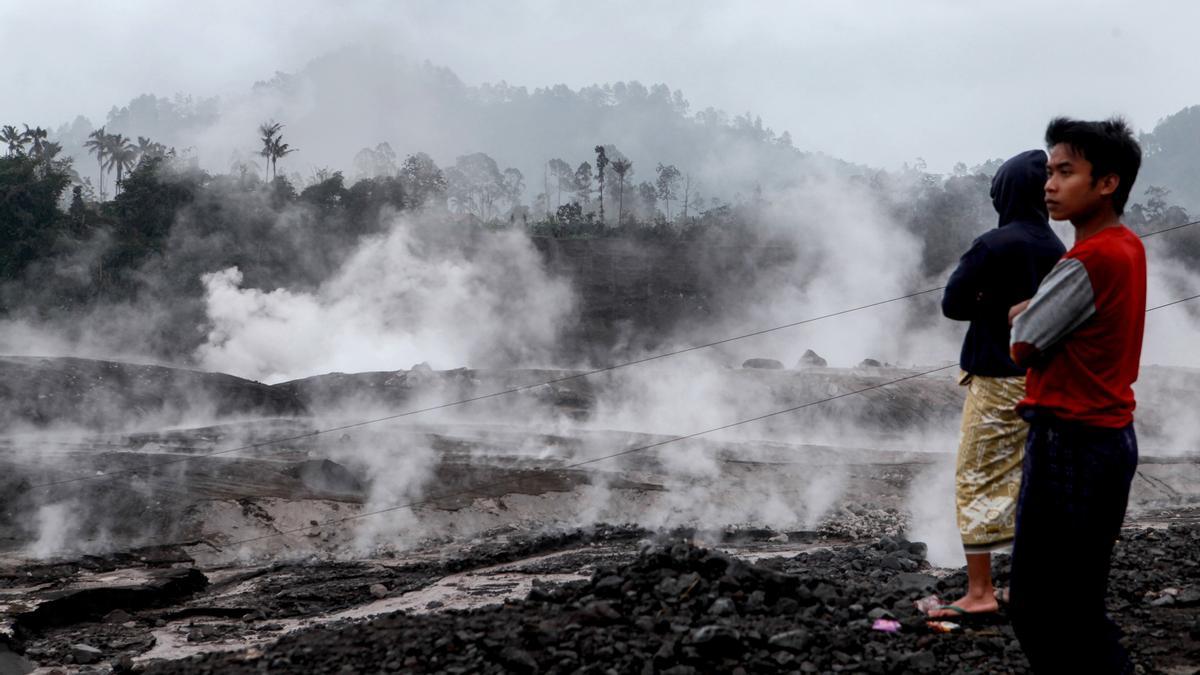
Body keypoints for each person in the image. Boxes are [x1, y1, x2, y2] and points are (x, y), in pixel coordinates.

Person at [1007, 117, 1144, 674]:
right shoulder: (1127, 246)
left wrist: (1023, 312)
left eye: (1066, 171)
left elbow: (1022, 341)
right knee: (1078, 603)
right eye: (1049, 171)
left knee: (1044, 609)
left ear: (1107, 183)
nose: (1050, 185)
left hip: (1071, 441)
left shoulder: (1090, 258)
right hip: (1106, 437)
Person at [930, 150, 1065, 619]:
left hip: (996, 378)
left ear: (1003, 193)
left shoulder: (993, 244)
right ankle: (1025, 587)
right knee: (1029, 482)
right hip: (1042, 380)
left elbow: (952, 303)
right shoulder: (1057, 249)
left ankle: (981, 592)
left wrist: (989, 303)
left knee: (977, 478)